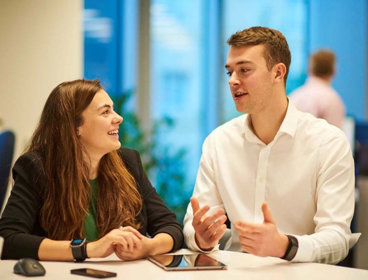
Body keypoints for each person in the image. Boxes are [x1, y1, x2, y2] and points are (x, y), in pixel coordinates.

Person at [183, 26, 356, 264]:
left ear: (278, 73)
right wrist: (201, 237)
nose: (233, 81)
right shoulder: (219, 142)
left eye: (244, 70)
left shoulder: (329, 143)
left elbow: (337, 239)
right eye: (229, 72)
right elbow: (193, 225)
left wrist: (285, 246)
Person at [0, 79, 183, 261]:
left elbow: (171, 228)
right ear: (75, 126)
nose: (119, 118)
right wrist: (88, 248)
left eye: (113, 109)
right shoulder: (36, 167)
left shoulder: (128, 161)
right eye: (105, 112)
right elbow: (9, 239)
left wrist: (148, 247)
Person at [289, 49, 345, 129]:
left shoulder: (294, 96)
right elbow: (335, 138)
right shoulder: (332, 100)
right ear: (334, 71)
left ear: (309, 70)